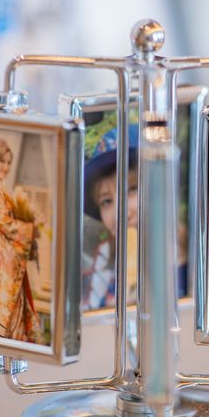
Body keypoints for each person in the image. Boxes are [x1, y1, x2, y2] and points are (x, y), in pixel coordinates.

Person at [0, 138, 45, 344]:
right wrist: (32, 228)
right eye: (1, 161)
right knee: (7, 322)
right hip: (2, 265)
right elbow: (6, 225)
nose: (5, 167)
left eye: (8, 162)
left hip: (5, 263)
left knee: (12, 319)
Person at [82, 124, 139, 310]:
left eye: (131, 190)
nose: (119, 211)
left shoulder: (179, 253)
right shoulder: (106, 255)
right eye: (106, 201)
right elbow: (91, 310)